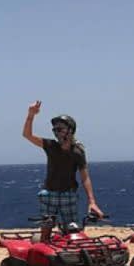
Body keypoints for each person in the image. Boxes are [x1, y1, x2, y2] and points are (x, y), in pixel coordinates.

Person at [23, 100, 104, 241]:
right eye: (54, 130)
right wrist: (31, 115)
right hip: (50, 194)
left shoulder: (77, 151)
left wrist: (92, 202)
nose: (56, 132)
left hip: (69, 195)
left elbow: (85, 176)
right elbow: (27, 135)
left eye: (60, 129)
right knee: (46, 229)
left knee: (72, 230)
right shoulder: (50, 146)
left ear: (70, 130)